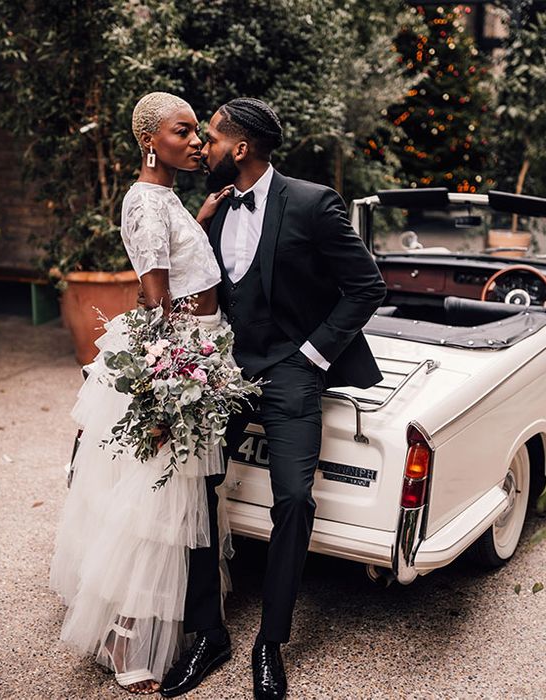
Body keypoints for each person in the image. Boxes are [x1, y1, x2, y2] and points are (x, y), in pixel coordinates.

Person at [160, 98, 387, 700]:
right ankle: (210, 633)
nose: (202, 148)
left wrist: (312, 356)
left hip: (291, 370)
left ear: (240, 148)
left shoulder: (312, 203)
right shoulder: (211, 209)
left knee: (293, 498)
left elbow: (366, 286)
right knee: (198, 486)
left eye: (211, 139)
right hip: (225, 370)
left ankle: (270, 642)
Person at [49, 92, 233, 695]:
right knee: (159, 499)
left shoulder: (162, 199)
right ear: (151, 140)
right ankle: (128, 635)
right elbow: (155, 298)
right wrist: (170, 381)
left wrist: (200, 219)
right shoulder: (147, 203)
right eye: (185, 132)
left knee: (174, 493)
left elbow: (173, 265)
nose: (198, 143)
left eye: (198, 134)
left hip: (196, 343)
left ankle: (167, 616)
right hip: (181, 353)